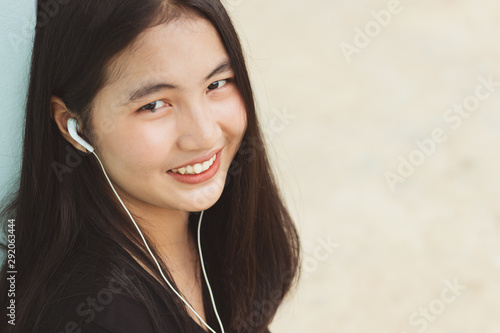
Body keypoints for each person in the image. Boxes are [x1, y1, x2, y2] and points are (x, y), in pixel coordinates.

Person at [0, 1, 300, 332]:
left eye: (216, 84)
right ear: (76, 125)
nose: (204, 135)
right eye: (154, 105)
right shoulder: (94, 315)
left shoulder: (214, 230)